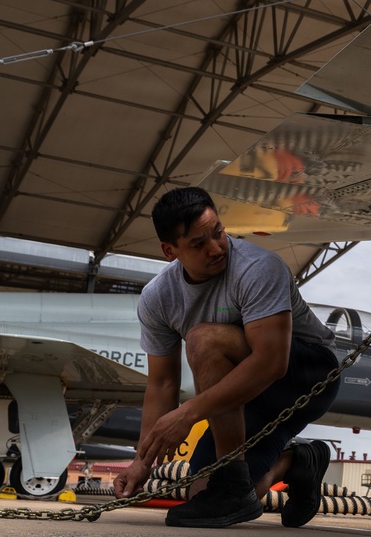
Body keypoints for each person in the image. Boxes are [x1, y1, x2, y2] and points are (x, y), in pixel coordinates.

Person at [114, 187, 341, 528]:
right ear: (170, 251)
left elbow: (271, 363)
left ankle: (233, 479)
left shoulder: (258, 268)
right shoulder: (158, 298)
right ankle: (296, 462)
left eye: (218, 232)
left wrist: (188, 414)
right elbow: (162, 383)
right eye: (198, 244)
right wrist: (142, 462)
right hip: (242, 393)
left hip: (307, 376)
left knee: (204, 339)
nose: (216, 248)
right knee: (207, 494)